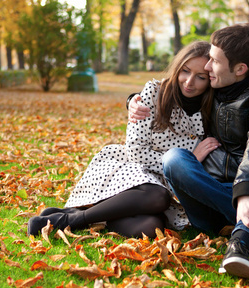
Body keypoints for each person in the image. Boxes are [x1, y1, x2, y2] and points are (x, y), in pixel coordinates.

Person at [129, 23, 249, 279]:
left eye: (214, 62)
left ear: (240, 69)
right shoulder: (213, 85)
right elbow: (171, 88)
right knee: (174, 158)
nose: (206, 68)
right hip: (207, 199)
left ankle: (242, 238)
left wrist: (245, 193)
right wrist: (132, 101)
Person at [27, 41, 219, 238]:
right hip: (132, 173)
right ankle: (70, 221)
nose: (189, 81)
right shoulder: (154, 93)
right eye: (185, 71)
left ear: (211, 79)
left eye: (200, 77)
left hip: (166, 191)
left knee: (151, 227)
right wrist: (187, 161)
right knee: (157, 196)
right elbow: (136, 152)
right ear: (177, 67)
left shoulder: (212, 109)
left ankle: (78, 214)